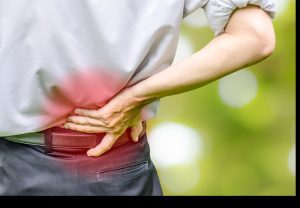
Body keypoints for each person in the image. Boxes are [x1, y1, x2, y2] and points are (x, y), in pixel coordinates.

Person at [0, 0, 276, 196]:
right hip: (112, 167)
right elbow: (254, 37)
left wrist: (137, 96)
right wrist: (137, 95)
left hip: (59, 162)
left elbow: (257, 39)